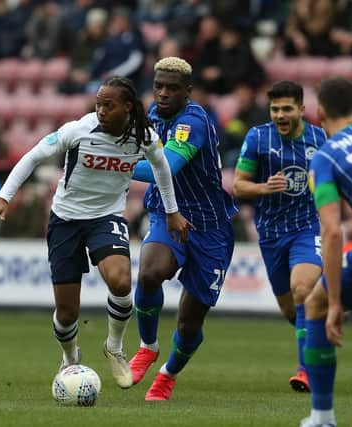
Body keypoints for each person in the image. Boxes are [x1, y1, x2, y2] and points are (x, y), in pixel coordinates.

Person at [0, 76, 192, 389]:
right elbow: (33, 156)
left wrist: (173, 212)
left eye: (109, 105)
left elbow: (162, 168)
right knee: (67, 313)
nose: (102, 111)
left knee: (121, 282)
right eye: (98, 105)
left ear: (127, 107)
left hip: (106, 217)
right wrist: (3, 197)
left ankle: (114, 347)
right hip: (65, 221)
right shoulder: (78, 130)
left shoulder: (144, 136)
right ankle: (70, 360)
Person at [129, 57, 237, 401]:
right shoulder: (150, 116)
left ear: (187, 92)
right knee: (149, 274)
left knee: (190, 321)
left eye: (172, 88)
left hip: (211, 226)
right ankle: (147, 346)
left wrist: (114, 165)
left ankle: (168, 374)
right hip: (167, 213)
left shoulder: (194, 121)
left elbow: (169, 166)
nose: (162, 93)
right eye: (158, 86)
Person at [232, 80, 327, 392]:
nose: (280, 115)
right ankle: (315, 331)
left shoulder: (320, 137)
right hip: (271, 234)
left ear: (301, 109)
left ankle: (306, 371)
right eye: (275, 109)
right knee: (291, 309)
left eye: (287, 108)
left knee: (303, 290)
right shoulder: (258, 138)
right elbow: (238, 185)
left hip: (308, 228)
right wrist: (263, 188)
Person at [299, 77, 352, 427]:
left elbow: (330, 230)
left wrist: (337, 302)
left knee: (316, 303)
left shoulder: (325, 158)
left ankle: (322, 417)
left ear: (319, 113)